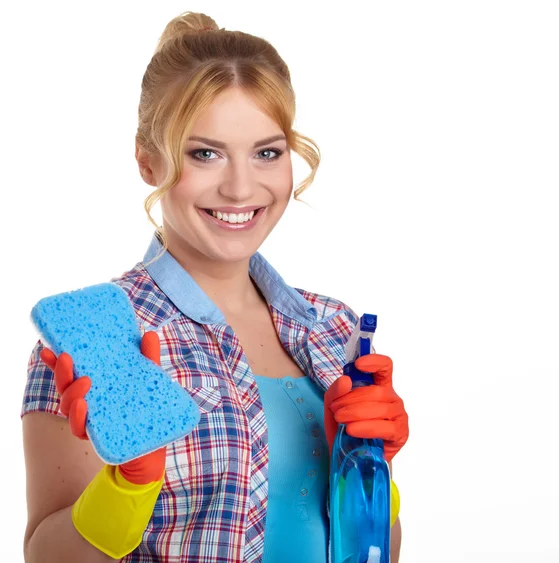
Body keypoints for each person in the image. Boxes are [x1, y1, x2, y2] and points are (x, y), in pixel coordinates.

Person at [21, 11, 409, 563]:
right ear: (148, 160)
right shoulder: (95, 342)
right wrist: (125, 488)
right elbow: (44, 555)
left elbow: (379, 553)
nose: (240, 186)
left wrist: (372, 473)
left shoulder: (334, 329)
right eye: (205, 153)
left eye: (267, 153)